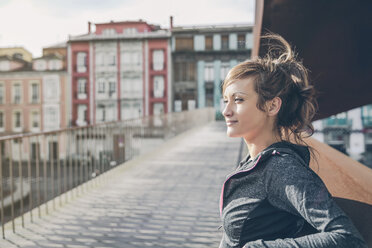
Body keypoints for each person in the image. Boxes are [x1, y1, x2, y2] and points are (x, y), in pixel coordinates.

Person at [219, 34, 367, 248]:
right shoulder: (253, 163)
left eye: (238, 100)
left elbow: (347, 238)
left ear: (272, 106)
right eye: (226, 100)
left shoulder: (282, 169)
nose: (226, 111)